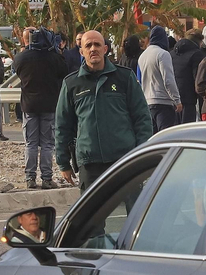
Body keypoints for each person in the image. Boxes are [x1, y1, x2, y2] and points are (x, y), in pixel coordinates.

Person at [55, 30, 152, 189]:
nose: (93, 49)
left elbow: (142, 118)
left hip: (124, 159)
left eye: (97, 44)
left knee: (133, 212)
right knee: (93, 213)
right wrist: (63, 163)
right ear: (82, 51)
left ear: (105, 49)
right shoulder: (72, 84)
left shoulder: (124, 77)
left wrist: (140, 154)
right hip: (89, 164)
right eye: (88, 45)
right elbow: (62, 126)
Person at [13, 28, 67, 189]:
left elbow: (16, 71)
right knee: (47, 144)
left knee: (30, 143)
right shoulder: (53, 58)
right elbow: (63, 72)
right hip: (49, 105)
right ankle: (47, 178)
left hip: (29, 105)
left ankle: (30, 178)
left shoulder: (22, 58)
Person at [138, 24, 181, 132]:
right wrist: (177, 100)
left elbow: (139, 80)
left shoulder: (142, 56)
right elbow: (168, 80)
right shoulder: (163, 54)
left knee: (154, 140)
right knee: (166, 138)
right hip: (164, 103)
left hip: (148, 103)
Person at [171, 30, 205, 124]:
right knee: (187, 130)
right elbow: (198, 78)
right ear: (199, 42)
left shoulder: (173, 53)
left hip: (173, 98)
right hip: (189, 99)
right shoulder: (196, 54)